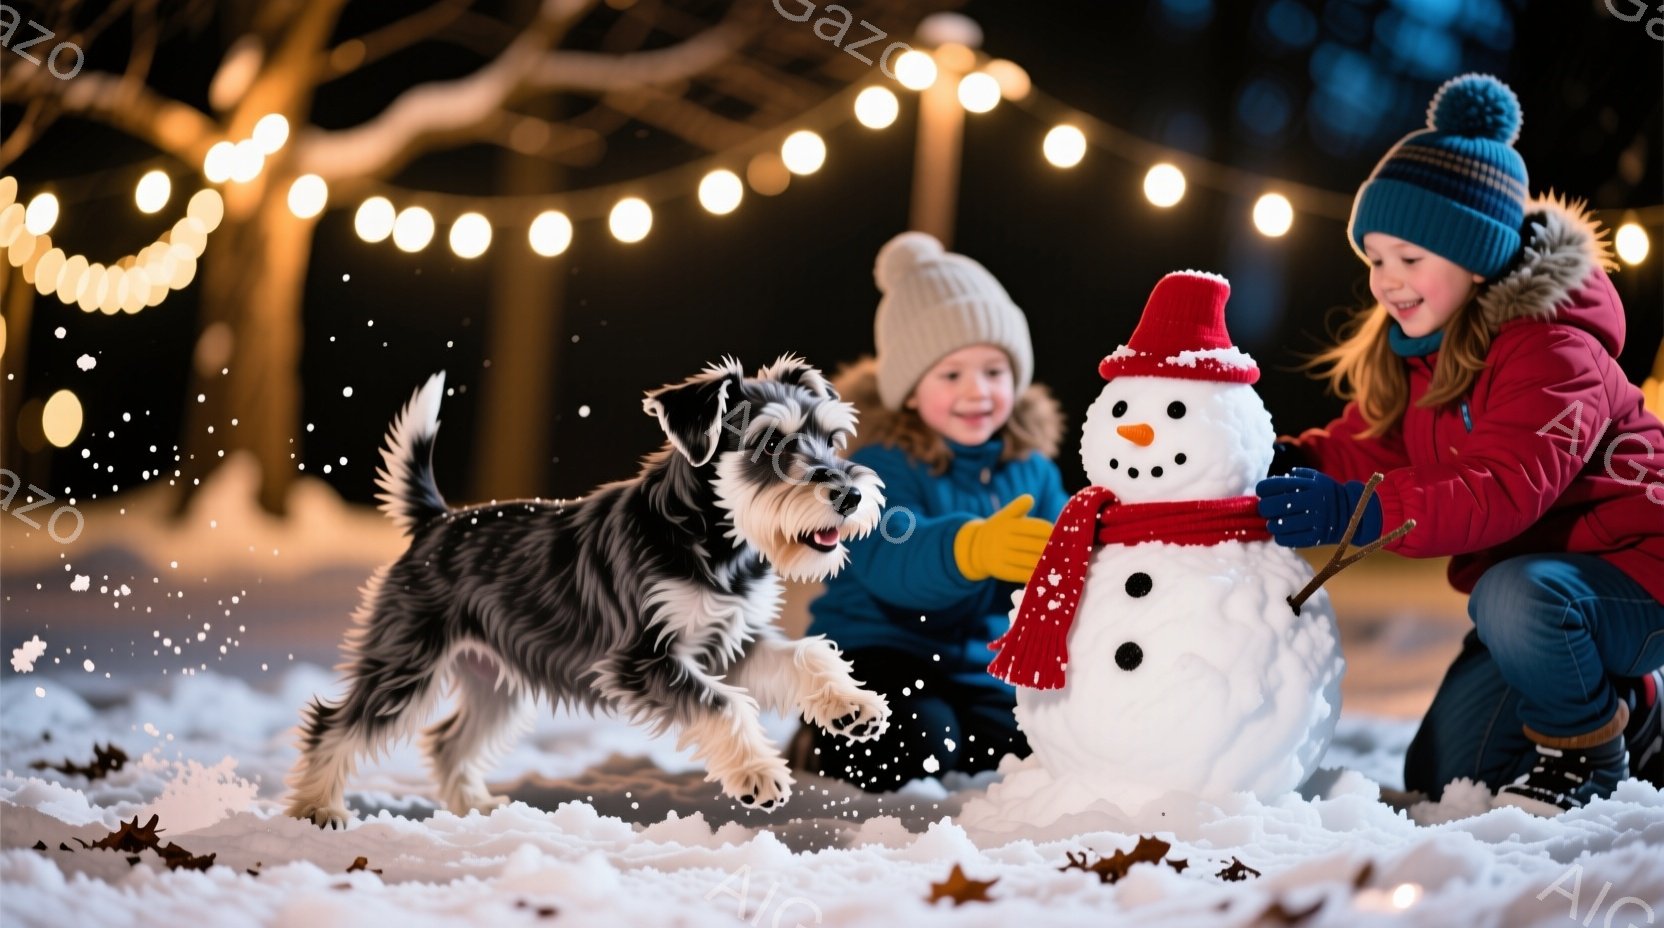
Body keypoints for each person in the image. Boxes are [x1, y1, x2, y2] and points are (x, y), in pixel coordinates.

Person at [1258, 74, 1664, 816]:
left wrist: (1356, 514)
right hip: (1545, 596)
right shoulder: (1423, 352)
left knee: (1510, 594)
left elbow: (1501, 489)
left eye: (1410, 258)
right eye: (1375, 258)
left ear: (1477, 255)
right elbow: (1373, 445)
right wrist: (1293, 461)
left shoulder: (1554, 352)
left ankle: (1587, 751)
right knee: (1450, 777)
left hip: (1638, 573)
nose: (1386, 282)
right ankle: (1640, 724)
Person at [795, 231, 1069, 792]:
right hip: (876, 655)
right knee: (912, 747)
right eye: (951, 374)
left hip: (977, 671)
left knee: (1027, 755)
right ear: (911, 391)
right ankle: (815, 737)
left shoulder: (1033, 470)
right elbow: (896, 553)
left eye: (994, 371)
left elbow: (1066, 558)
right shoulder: (877, 469)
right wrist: (970, 548)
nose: (978, 390)